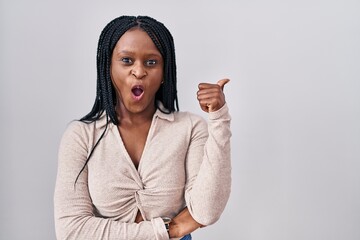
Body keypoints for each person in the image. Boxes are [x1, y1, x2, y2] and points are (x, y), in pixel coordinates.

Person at [54, 15, 231, 240]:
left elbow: (205, 211)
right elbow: (71, 231)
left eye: (151, 62)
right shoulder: (80, 136)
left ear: (164, 72)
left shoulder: (190, 128)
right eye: (127, 60)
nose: (139, 71)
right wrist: (168, 229)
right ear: (108, 67)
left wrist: (219, 119)